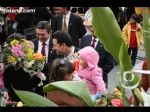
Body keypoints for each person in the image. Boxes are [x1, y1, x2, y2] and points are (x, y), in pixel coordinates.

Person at [3, 37, 45, 102]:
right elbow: (19, 88)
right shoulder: (13, 67)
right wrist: (37, 79)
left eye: (33, 51)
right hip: (17, 100)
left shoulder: (27, 63)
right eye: (29, 51)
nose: (32, 53)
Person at [81, 18, 115, 88]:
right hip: (83, 80)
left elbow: (110, 64)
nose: (92, 29)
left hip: (99, 81)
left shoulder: (108, 43)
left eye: (95, 27)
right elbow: (80, 57)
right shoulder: (85, 39)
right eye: (91, 27)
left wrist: (96, 74)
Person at [32, 20, 57, 96]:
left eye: (42, 34)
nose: (39, 37)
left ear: (50, 33)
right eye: (37, 34)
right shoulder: (32, 44)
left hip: (52, 81)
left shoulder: (55, 44)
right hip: (35, 82)